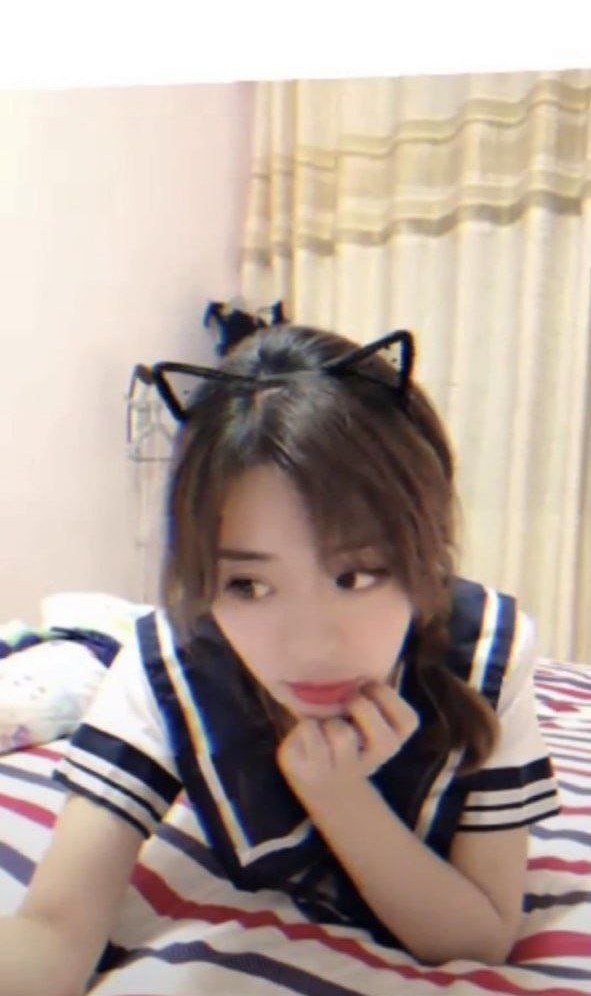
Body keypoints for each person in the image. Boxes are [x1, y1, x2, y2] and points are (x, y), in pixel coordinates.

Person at [0, 324, 561, 995]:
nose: (308, 647)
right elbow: (54, 929)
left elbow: (479, 938)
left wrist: (337, 794)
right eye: (247, 584)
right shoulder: (172, 664)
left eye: (356, 575)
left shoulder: (486, 650)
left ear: (428, 549)